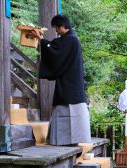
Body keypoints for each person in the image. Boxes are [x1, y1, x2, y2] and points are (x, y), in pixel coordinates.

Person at [29, 14, 91, 146]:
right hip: (71, 82)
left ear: (63, 26)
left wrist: (41, 39)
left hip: (69, 84)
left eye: (57, 28)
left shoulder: (71, 40)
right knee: (66, 112)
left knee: (65, 110)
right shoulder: (72, 40)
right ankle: (68, 140)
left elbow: (55, 52)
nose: (56, 31)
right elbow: (55, 48)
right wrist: (43, 41)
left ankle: (65, 140)